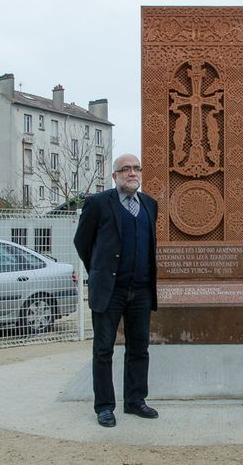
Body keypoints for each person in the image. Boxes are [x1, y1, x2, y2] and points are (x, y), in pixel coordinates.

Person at [74, 153, 159, 428]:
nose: (132, 173)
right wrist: (99, 271)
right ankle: (105, 406)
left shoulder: (149, 204)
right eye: (125, 169)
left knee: (139, 349)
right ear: (115, 176)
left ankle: (135, 400)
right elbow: (82, 243)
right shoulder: (98, 204)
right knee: (103, 349)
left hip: (142, 291)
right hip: (110, 290)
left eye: (136, 168)